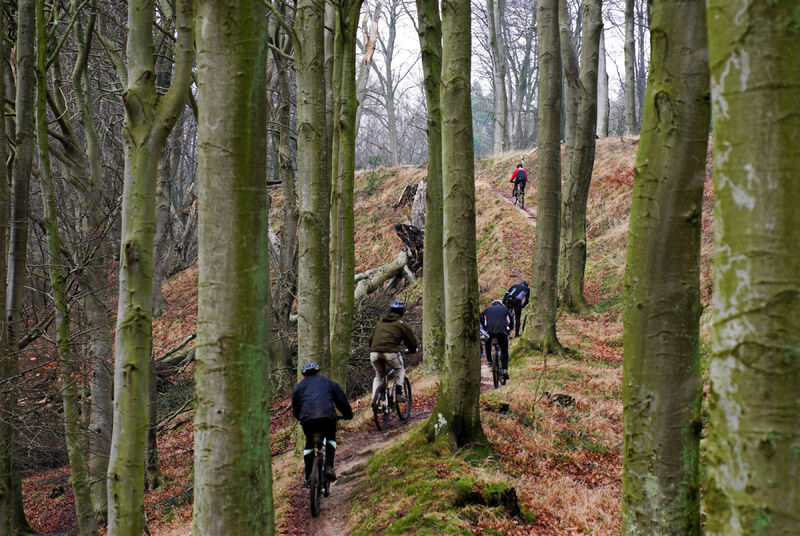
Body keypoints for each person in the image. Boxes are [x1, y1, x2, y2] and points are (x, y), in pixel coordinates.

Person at [291, 361, 353, 485]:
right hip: (327, 418)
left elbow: (295, 407)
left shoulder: (299, 387)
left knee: (309, 443)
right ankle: (329, 467)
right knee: (330, 438)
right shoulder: (329, 383)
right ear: (319, 373)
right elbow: (342, 400)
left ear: (304, 376)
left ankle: (308, 475)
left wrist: (300, 418)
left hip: (307, 420)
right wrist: (348, 415)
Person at [368, 300, 418, 403]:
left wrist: (374, 349)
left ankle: (375, 402)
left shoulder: (380, 323)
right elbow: (411, 341)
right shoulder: (402, 324)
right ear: (402, 312)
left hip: (374, 353)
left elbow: (370, 339)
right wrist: (412, 350)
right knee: (399, 369)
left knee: (379, 376)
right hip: (390, 353)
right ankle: (399, 394)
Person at [480, 299, 513, 380]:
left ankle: (489, 361)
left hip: (490, 331)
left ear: (493, 304)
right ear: (500, 304)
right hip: (502, 331)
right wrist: (510, 329)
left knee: (488, 343)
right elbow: (510, 320)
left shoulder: (487, 310)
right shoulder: (505, 309)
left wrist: (485, 329)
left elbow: (482, 320)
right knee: (504, 350)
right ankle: (505, 369)